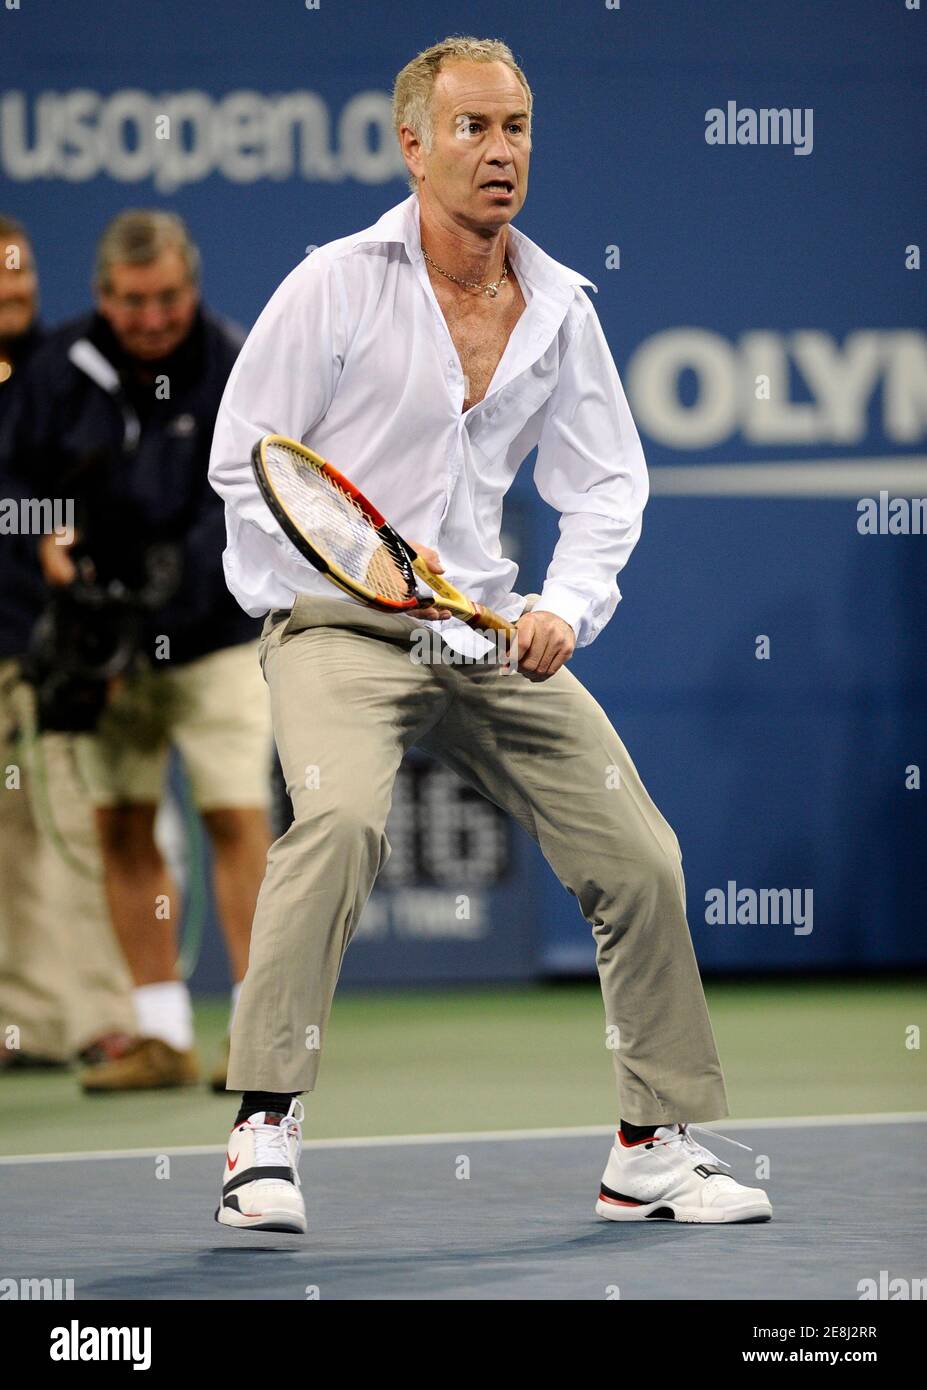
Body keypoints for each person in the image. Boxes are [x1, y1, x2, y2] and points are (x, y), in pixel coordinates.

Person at [208, 36, 772, 1233]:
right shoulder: (334, 283)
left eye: (515, 126)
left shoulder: (561, 309)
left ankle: (651, 1148)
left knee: (642, 858)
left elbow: (608, 483)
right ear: (413, 145)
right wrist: (363, 573)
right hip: (339, 632)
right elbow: (247, 460)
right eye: (473, 128)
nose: (501, 150)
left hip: (483, 630)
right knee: (344, 821)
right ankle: (264, 1123)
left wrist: (563, 605)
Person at [1, 210, 273, 1091]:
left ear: (190, 289)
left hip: (214, 642)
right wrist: (51, 544)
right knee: (121, 825)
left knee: (235, 817)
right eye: (131, 302)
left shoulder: (234, 366)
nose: (151, 318)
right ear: (101, 296)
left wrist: (163, 591)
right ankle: (159, 1033)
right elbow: (15, 484)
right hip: (107, 652)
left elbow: (246, 499)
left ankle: (255, 1030)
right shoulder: (58, 369)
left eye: (165, 299)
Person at [0, 214, 135, 1072]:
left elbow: (105, 494)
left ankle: (103, 1019)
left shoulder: (68, 374)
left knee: (80, 827)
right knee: (12, 836)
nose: (14, 292)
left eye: (21, 277)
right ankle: (28, 1023)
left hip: (54, 647)